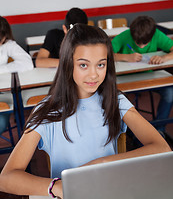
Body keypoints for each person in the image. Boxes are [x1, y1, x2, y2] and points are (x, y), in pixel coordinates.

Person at [0, 24, 170, 198]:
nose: (94, 74)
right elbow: (6, 178)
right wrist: (58, 187)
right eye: (83, 65)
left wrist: (102, 163)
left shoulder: (115, 100)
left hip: (110, 190)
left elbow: (162, 148)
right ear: (68, 64)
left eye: (101, 65)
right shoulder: (47, 110)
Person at [111, 15, 173, 132]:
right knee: (116, 98)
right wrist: (125, 57)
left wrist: (164, 58)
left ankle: (159, 129)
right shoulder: (125, 36)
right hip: (124, 79)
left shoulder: (157, 34)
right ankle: (127, 132)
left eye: (145, 43)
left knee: (169, 92)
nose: (141, 46)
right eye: (137, 43)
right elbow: (105, 54)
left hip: (148, 76)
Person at [0, 16, 33, 137]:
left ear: (4, 37)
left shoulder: (8, 45)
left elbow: (27, 63)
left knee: (1, 124)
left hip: (2, 96)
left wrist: (2, 69)